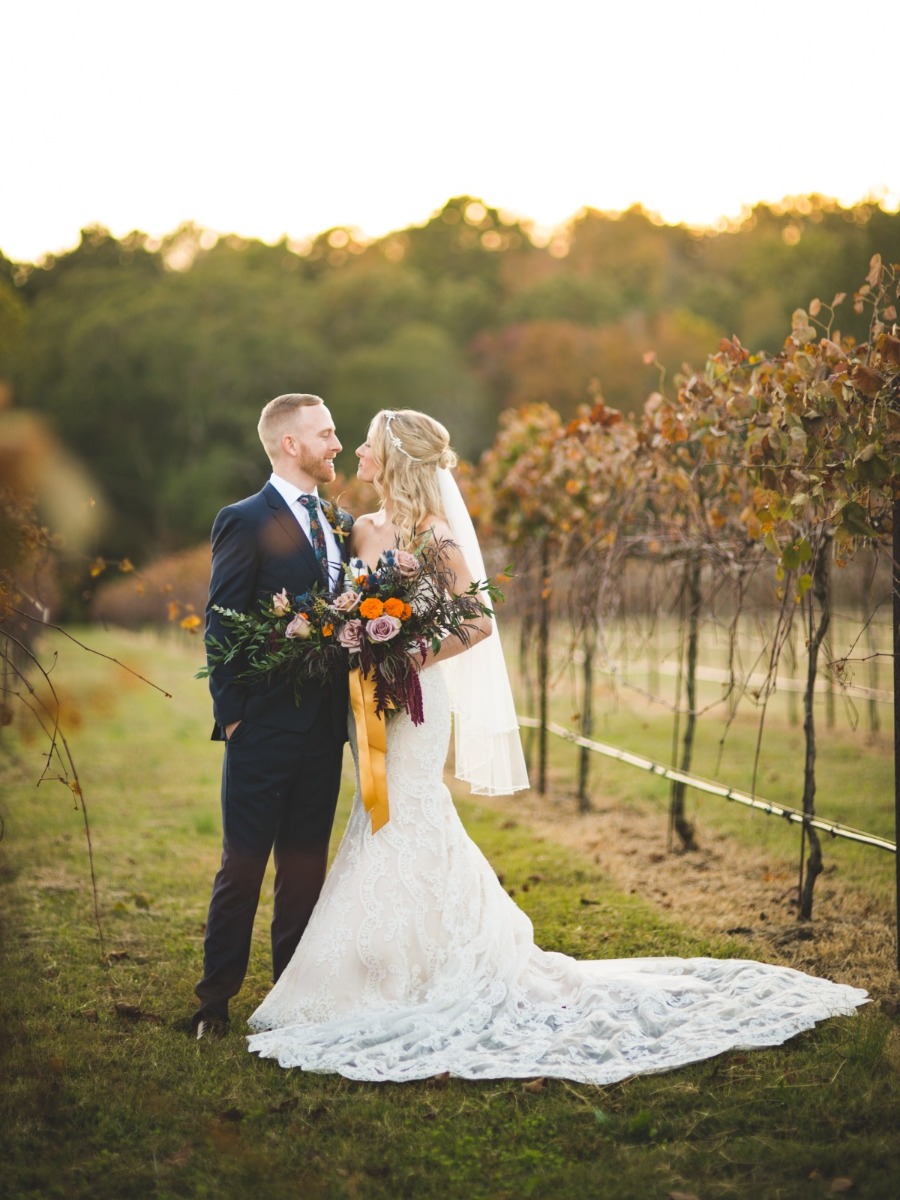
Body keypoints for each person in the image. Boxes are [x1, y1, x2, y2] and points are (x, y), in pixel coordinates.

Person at [245, 408, 867, 1082]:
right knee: (378, 812)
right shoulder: (362, 528)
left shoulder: (437, 539)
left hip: (418, 700)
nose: (357, 451)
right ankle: (388, 962)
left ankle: (412, 967)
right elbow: (349, 608)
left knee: (405, 809)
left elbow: (478, 623)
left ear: (393, 459)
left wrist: (412, 654)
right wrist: (351, 635)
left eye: (365, 443)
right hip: (371, 702)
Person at [191, 393, 353, 1040]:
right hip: (261, 727)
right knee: (244, 864)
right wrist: (233, 719)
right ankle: (214, 1002)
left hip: (325, 728)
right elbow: (221, 622)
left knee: (305, 864)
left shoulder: (338, 524)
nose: (336, 444)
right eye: (326, 433)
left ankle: (290, 997)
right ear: (291, 444)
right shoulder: (243, 518)